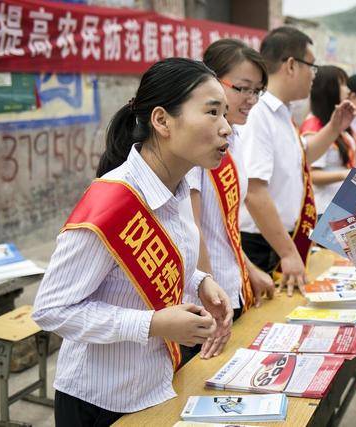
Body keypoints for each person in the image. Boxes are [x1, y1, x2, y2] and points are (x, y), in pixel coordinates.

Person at [32, 58, 231, 425]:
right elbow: (50, 310)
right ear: (162, 121)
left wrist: (202, 282)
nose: (226, 129)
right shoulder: (113, 202)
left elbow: (169, 261)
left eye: (226, 114)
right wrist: (152, 325)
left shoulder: (180, 187)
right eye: (212, 113)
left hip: (155, 385)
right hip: (98, 401)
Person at [240, 27, 355, 295]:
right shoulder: (258, 114)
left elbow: (302, 158)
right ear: (291, 65)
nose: (313, 75)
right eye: (311, 66)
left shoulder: (283, 113)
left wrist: (334, 127)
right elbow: (254, 192)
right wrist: (288, 252)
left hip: (281, 240)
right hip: (263, 244)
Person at [181, 40, 275, 362]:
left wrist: (248, 269)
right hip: (207, 301)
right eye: (243, 89)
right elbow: (194, 231)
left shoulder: (232, 139)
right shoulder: (196, 145)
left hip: (230, 286)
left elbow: (223, 228)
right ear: (211, 82)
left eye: (258, 91)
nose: (251, 100)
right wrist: (211, 298)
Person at [300, 66, 356, 214]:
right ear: (329, 89)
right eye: (343, 84)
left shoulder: (336, 123)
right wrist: (345, 174)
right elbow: (310, 173)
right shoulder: (314, 126)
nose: (348, 90)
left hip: (341, 205)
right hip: (323, 209)